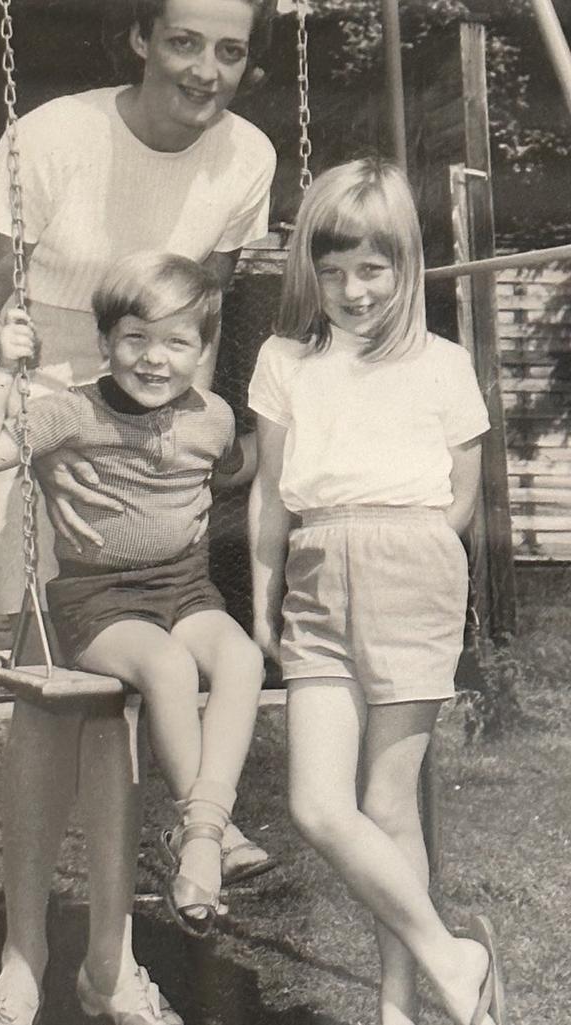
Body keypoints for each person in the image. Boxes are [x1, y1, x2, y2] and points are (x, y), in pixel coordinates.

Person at [0, 3, 277, 1023]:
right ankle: (20, 958)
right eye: (185, 42)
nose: (205, 70)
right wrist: (35, 426)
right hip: (43, 415)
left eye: (230, 50)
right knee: (56, 704)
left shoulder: (249, 159)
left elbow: (208, 316)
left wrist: (175, 438)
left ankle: (108, 962)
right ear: (141, 39)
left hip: (150, 433)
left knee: (139, 693)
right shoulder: (51, 137)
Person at [247, 157, 506, 1025]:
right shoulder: (285, 360)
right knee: (318, 804)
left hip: (411, 564)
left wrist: (416, 552)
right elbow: (268, 490)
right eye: (332, 272)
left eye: (372, 269)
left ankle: (399, 1005)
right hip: (316, 572)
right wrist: (262, 597)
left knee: (389, 802)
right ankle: (454, 956)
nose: (353, 290)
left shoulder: (441, 363)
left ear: (405, 266)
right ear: (308, 273)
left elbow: (461, 496)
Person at [0, 250, 265, 937]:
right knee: (168, 667)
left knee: (242, 658)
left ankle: (203, 831)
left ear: (203, 350)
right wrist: (5, 372)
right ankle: (207, 835)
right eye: (135, 339)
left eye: (177, 343)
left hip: (185, 589)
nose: (155, 360)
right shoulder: (71, 413)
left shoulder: (210, 418)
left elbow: (245, 462)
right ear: (104, 342)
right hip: (101, 603)